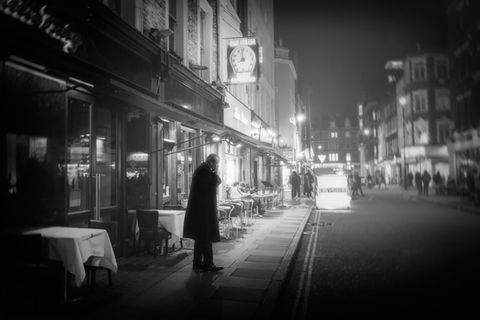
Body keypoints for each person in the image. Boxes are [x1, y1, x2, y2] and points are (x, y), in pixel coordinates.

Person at [183, 154, 223, 273]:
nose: (217, 166)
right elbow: (211, 185)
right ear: (211, 162)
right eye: (216, 163)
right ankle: (208, 265)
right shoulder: (204, 171)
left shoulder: (202, 170)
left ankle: (198, 265)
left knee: (201, 239)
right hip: (203, 212)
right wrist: (215, 173)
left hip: (201, 211)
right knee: (206, 238)